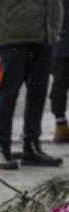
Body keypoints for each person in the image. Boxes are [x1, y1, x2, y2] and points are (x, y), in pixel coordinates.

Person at [0, 0, 64, 168]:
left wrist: (54, 27)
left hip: (45, 35)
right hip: (15, 38)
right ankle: (3, 148)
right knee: (9, 93)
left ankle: (31, 146)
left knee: (38, 93)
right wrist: (1, 26)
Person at [50, 0, 69, 143]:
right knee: (59, 86)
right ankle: (60, 123)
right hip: (60, 44)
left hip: (59, 44)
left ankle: (60, 123)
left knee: (59, 86)